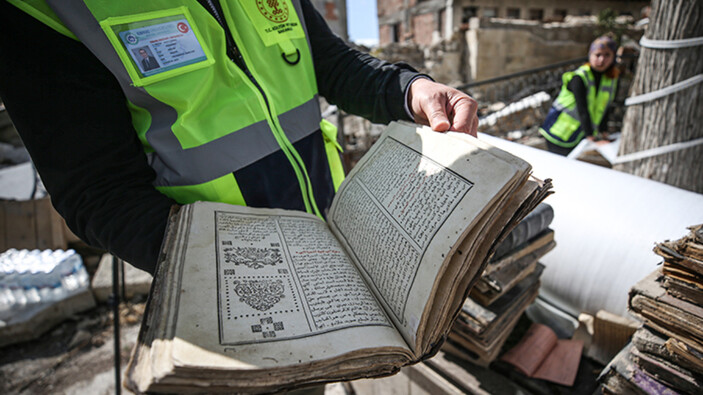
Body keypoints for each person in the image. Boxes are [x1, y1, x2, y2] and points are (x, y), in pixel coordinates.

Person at [0, 1, 478, 275]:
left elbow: (325, 61)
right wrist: (225, 267)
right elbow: (99, 192)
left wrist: (408, 88)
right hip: (226, 278)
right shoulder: (45, 9)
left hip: (331, 236)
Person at [539, 35, 620, 156]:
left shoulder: (610, 79)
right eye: (598, 55)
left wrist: (603, 132)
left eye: (607, 55)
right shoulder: (580, 77)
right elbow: (583, 109)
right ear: (590, 55)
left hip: (579, 133)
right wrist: (591, 136)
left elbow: (605, 108)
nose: (602, 60)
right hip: (560, 131)